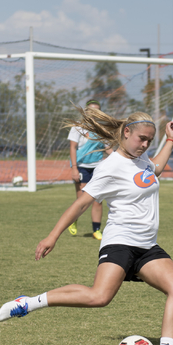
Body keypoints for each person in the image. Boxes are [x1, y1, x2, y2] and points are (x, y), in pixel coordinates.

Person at [0, 107, 173, 345]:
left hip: (147, 246)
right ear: (126, 133)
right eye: (141, 139)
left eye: (150, 140)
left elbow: (154, 170)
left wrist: (170, 139)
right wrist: (52, 236)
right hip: (120, 242)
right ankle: (29, 303)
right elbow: (81, 204)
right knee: (99, 297)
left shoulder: (142, 157)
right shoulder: (110, 167)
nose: (145, 144)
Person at [67, 99, 110, 240]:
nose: (94, 114)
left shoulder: (102, 129)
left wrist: (121, 158)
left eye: (97, 111)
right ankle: (73, 220)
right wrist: (74, 168)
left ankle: (96, 230)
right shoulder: (77, 127)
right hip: (81, 166)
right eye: (91, 111)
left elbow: (108, 148)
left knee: (98, 199)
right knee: (82, 199)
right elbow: (73, 148)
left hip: (98, 166)